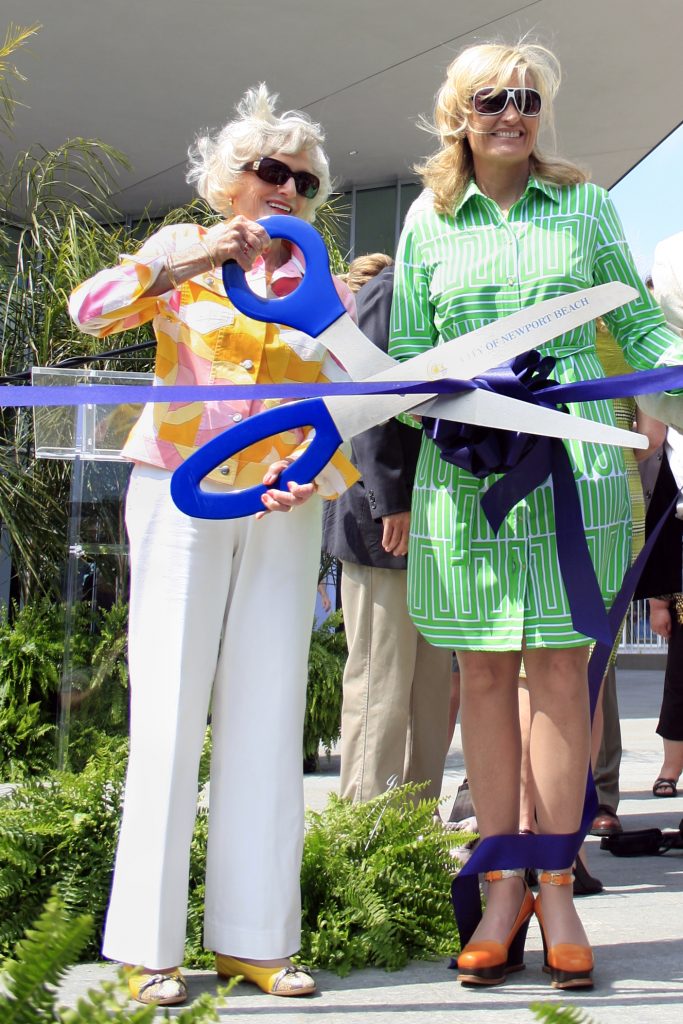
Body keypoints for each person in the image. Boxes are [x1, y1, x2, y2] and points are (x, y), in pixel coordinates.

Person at [389, 40, 683, 990]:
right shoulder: (425, 219)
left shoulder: (588, 206)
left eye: (524, 99)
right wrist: (453, 393)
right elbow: (406, 357)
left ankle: (555, 884)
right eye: (490, 99)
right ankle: (503, 885)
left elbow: (635, 322)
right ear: (458, 113)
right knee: (481, 678)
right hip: (465, 476)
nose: (509, 113)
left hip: (574, 473)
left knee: (562, 674)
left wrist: (667, 376)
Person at [69, 85, 358, 1006]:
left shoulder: (320, 271)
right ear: (224, 178)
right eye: (267, 170)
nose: (284, 189)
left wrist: (321, 466)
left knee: (268, 716)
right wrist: (192, 256)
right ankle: (146, 946)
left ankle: (255, 941)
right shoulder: (175, 250)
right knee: (168, 715)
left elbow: (352, 393)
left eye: (302, 180)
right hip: (179, 491)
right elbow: (89, 312)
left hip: (283, 503)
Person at [322, 253, 452, 803]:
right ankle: (366, 831)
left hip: (444, 516)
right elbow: (367, 398)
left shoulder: (451, 297)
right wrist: (390, 499)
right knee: (381, 681)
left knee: (430, 689)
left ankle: (414, 835)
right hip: (387, 523)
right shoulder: (393, 290)